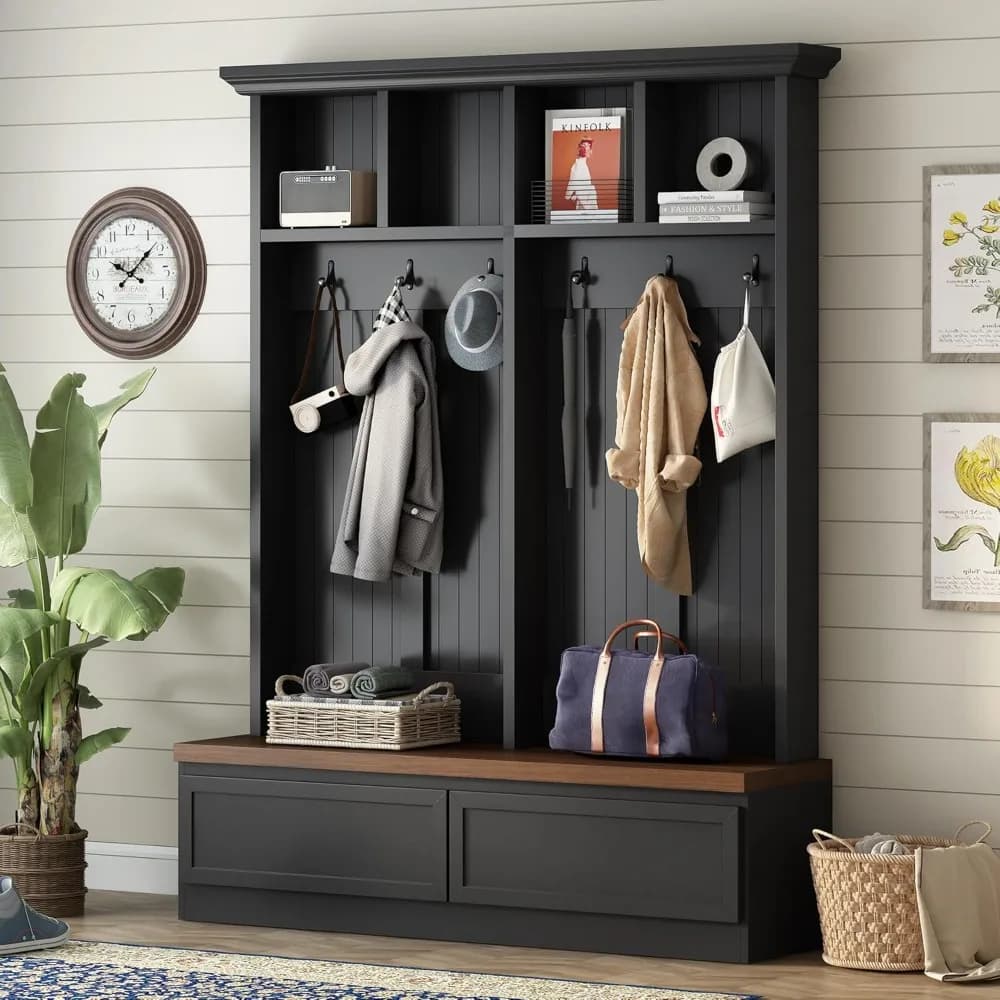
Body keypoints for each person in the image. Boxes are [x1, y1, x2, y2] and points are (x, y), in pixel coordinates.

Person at [564, 138, 599, 211]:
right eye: (585, 146)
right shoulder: (579, 164)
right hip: (585, 202)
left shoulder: (582, 164)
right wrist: (568, 195)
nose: (590, 150)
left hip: (587, 200)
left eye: (589, 146)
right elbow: (573, 181)